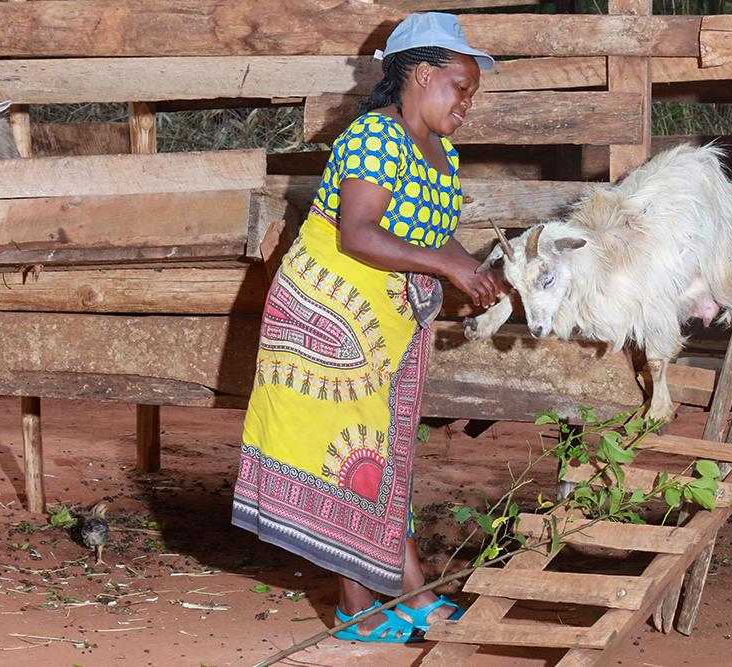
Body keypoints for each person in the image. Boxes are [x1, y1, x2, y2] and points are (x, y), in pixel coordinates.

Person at [232, 12, 502, 643]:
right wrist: (450, 264)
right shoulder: (374, 137)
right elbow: (358, 234)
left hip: (383, 322)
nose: (468, 103)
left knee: (381, 457)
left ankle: (409, 593)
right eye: (460, 87)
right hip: (328, 311)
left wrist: (477, 270)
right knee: (350, 457)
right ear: (422, 73)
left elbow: (427, 238)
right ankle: (359, 607)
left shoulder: (443, 153)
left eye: (473, 94)